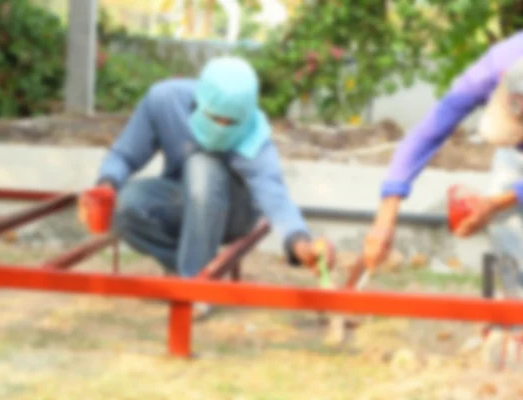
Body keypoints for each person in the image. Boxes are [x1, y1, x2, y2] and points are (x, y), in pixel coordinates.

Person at [81, 56, 334, 288]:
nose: (221, 128)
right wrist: (105, 186)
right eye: (215, 118)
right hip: (182, 199)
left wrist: (300, 243)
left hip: (234, 214)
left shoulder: (254, 133)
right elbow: (125, 155)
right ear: (198, 103)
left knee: (202, 166)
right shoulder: (165, 102)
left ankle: (196, 290)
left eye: (231, 123)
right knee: (121, 207)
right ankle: (193, 268)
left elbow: (275, 197)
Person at [363, 31, 523, 292]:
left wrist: (498, 202)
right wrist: (385, 218)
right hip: (513, 150)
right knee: (507, 232)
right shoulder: (496, 66)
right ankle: (518, 321)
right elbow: (429, 131)